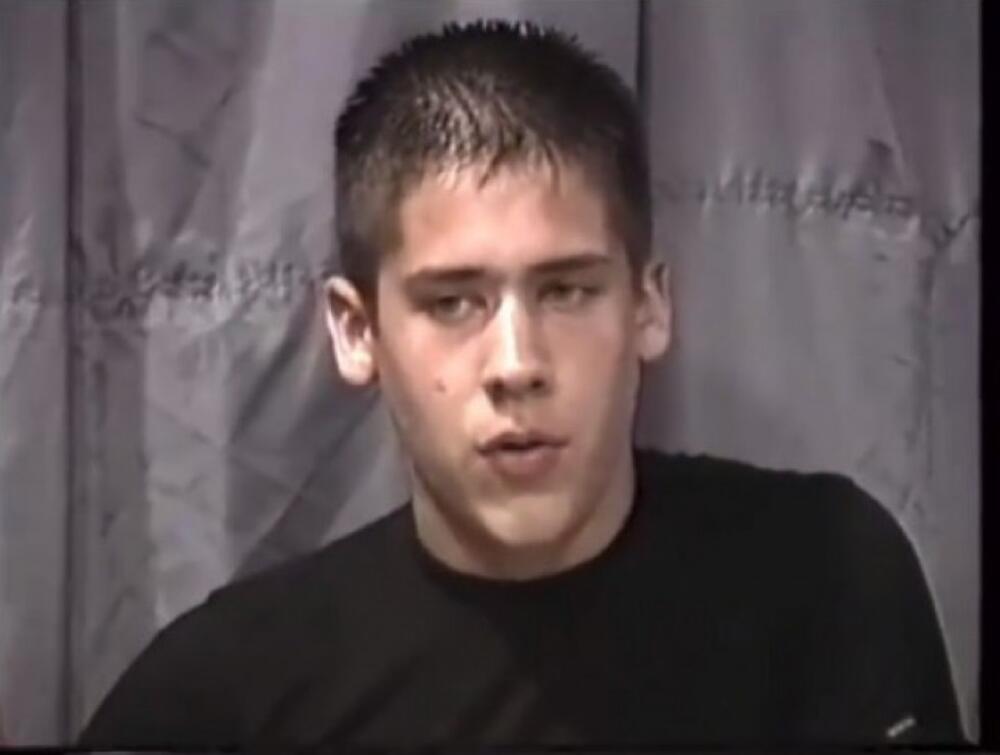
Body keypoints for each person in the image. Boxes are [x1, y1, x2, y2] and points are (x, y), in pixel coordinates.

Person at [78, 19, 963, 749]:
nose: (516, 363)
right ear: (357, 330)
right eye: (453, 302)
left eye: (567, 290)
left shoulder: (824, 578)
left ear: (649, 305)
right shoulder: (224, 695)